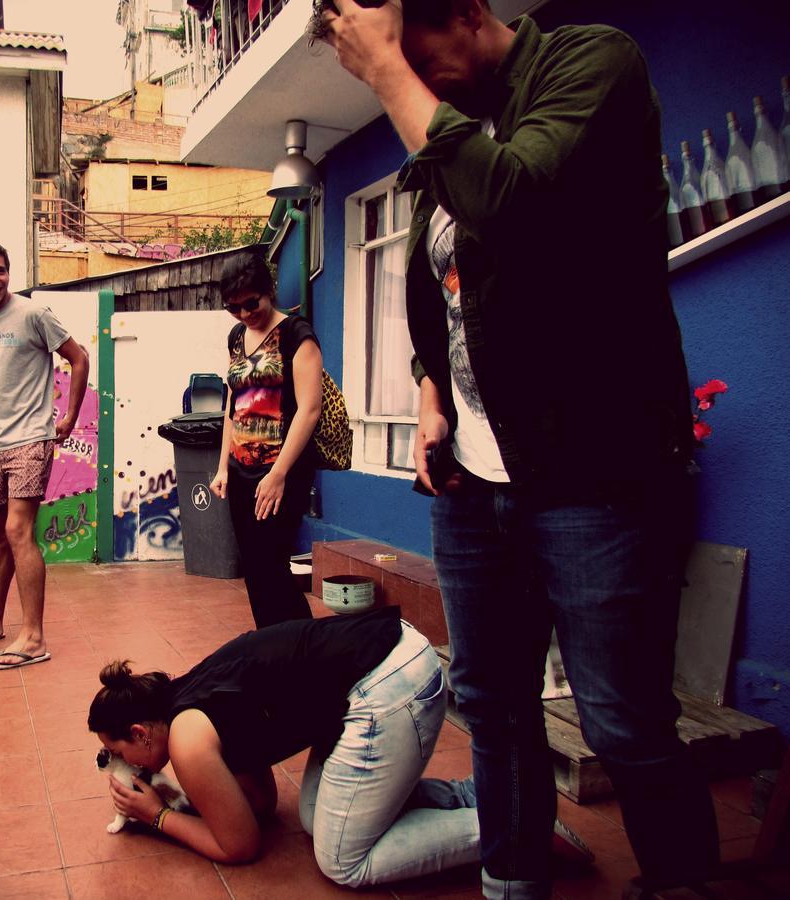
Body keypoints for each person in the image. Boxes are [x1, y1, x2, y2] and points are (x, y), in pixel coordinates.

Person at [319, 0, 719, 895]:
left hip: (595, 475)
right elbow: (437, 288)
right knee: (495, 710)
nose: (406, 83)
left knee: (622, 722)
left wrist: (385, 70)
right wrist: (430, 393)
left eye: (411, 56)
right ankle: (512, 880)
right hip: (471, 484)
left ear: (463, 13)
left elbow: (510, 199)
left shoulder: (590, 66)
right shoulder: (442, 134)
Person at [88, 606, 482, 887]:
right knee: (314, 817)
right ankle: (468, 796)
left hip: (390, 680)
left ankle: (515, 830)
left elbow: (241, 846)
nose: (121, 762)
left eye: (119, 752)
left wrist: (157, 816)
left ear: (140, 733)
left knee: (343, 860)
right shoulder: (186, 704)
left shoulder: (186, 737)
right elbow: (260, 805)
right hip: (387, 653)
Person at [0, 240, 90, 669]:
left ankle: (33, 637)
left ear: (9, 272)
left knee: (20, 530)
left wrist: (68, 417)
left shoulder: (33, 314)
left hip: (31, 438)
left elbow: (78, 358)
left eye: (0, 270)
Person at [209, 251, 322, 628]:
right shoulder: (237, 337)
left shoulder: (296, 334)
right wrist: (223, 465)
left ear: (268, 290)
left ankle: (304, 650)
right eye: (233, 307)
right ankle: (274, 650)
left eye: (251, 303)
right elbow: (233, 403)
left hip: (281, 470)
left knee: (273, 565)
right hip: (241, 472)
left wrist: (278, 474)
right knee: (255, 571)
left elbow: (309, 409)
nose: (244, 314)